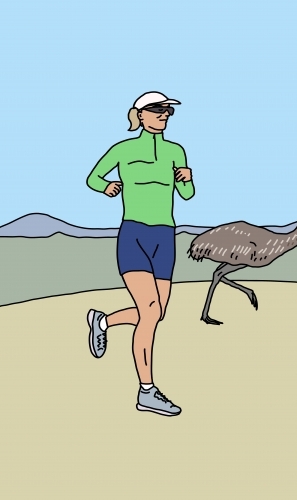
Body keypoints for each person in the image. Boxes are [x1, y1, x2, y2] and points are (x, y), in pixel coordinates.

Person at [86, 91, 195, 416]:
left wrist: (188, 179)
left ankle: (102, 321)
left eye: (167, 111)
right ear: (140, 114)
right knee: (149, 311)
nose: (164, 115)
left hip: (165, 236)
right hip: (134, 234)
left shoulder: (176, 151)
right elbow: (93, 177)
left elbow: (187, 195)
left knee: (156, 313)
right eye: (158, 110)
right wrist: (107, 188)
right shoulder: (123, 149)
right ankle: (146, 391)